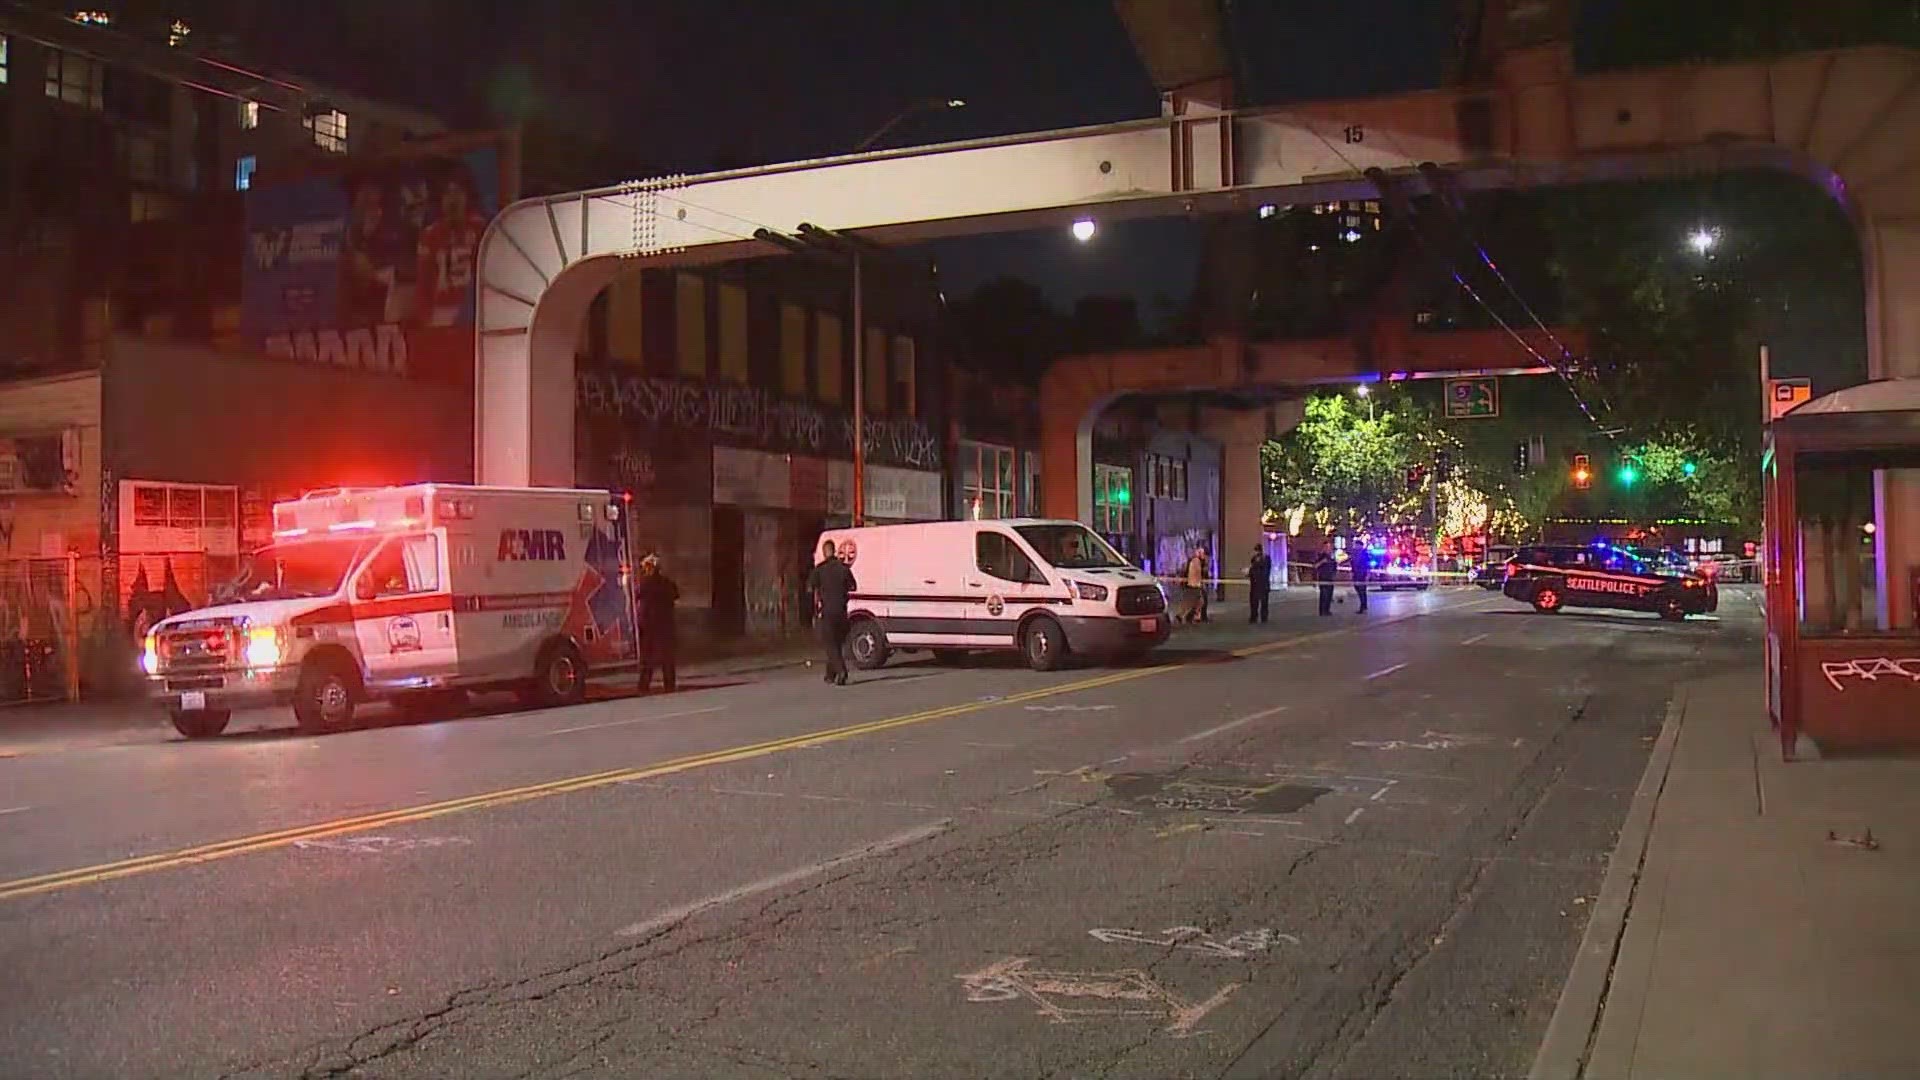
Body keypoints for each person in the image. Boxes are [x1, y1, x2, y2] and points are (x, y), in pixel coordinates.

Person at [807, 538, 858, 685]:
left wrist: (815, 607)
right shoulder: (843, 568)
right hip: (842, 611)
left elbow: (811, 589)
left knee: (830, 644)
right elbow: (853, 586)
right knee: (836, 643)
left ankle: (841, 672)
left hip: (827, 611)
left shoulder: (820, 569)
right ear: (834, 551)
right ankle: (830, 675)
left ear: (824, 552)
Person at [634, 554, 680, 693]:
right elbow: (675, 595)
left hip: (650, 626)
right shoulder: (667, 584)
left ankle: (643, 686)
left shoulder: (645, 585)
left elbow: (638, 598)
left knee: (648, 658)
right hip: (665, 625)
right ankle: (669, 684)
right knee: (667, 657)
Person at [1247, 545, 1272, 624]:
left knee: (1258, 602)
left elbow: (1260, 571)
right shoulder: (1258, 558)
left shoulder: (1263, 559)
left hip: (1259, 584)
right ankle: (1258, 617)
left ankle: (1257, 617)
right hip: (1260, 584)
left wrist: (1250, 573)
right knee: (1259, 602)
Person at [1184, 548, 1209, 623]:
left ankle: (1201, 616)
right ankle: (1189, 616)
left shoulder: (1201, 562)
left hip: (1199, 584)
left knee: (1202, 601)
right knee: (1198, 601)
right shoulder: (1195, 562)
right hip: (1195, 585)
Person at [1314, 547, 1339, 616]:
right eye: (1327, 548)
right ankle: (1322, 611)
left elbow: (1335, 568)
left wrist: (1334, 575)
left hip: (1330, 579)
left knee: (1329, 595)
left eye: (1329, 548)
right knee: (1324, 595)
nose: (1328, 550)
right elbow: (1315, 566)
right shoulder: (1321, 557)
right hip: (1323, 578)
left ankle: (1327, 610)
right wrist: (1322, 562)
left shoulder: (1332, 558)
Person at [1350, 545, 1372, 614]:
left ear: (1360, 546)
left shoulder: (1364, 554)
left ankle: (1363, 606)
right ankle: (1363, 606)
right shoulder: (1355, 554)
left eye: (1356, 545)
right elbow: (1352, 564)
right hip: (1356, 574)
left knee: (1362, 591)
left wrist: (1367, 574)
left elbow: (1368, 565)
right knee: (1358, 590)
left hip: (1362, 574)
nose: (1355, 547)